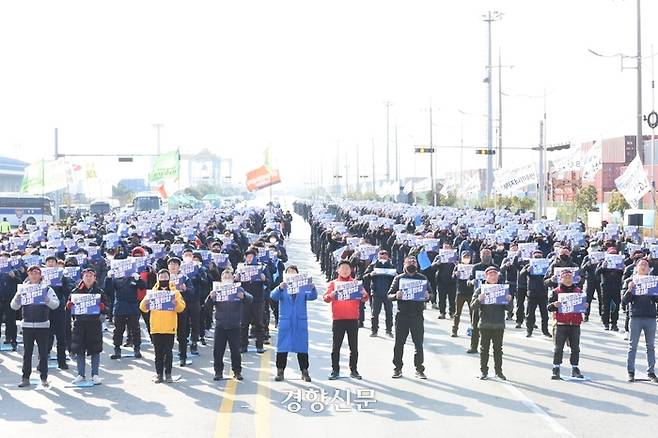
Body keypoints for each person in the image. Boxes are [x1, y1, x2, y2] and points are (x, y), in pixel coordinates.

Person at [11, 265, 60, 387]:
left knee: (43, 353)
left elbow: (56, 305)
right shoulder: (22, 289)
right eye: (31, 273)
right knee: (27, 353)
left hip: (42, 324)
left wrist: (46, 299)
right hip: (27, 324)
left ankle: (44, 377)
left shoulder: (47, 289)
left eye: (37, 273)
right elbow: (13, 306)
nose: (34, 275)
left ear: (40, 275)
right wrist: (17, 298)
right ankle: (25, 377)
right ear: (28, 275)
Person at [270, 265, 317, 382]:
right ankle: (280, 371)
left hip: (299, 320)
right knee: (282, 347)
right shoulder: (283, 287)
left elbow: (313, 296)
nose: (291, 274)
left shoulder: (302, 288)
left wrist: (312, 288)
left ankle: (304, 371)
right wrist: (279, 288)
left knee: (302, 347)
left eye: (294, 272)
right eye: (289, 272)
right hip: (286, 321)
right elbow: (273, 296)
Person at [323, 260, 369, 380]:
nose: (344, 270)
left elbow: (365, 298)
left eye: (347, 268)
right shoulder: (333, 283)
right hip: (338, 319)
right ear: (338, 270)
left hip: (353, 319)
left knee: (353, 347)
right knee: (336, 347)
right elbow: (325, 298)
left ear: (351, 270)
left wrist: (364, 294)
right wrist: (331, 295)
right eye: (342, 268)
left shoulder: (355, 283)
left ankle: (353, 370)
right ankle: (335, 370)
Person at [388, 256, 431, 379]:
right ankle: (397, 368)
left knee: (418, 344)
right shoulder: (399, 278)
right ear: (404, 264)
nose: (411, 263)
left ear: (417, 265)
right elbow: (389, 295)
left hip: (417, 315)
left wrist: (428, 296)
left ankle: (419, 369)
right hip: (402, 315)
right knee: (399, 343)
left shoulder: (422, 278)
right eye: (409, 262)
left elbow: (432, 294)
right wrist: (396, 295)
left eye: (414, 262)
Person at [140, 269, 186, 383]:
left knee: (168, 352)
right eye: (161, 277)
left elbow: (181, 308)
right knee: (158, 353)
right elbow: (142, 307)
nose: (163, 279)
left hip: (170, 327)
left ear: (169, 278)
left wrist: (176, 303)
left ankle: (168, 374)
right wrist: (145, 303)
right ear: (158, 278)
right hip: (156, 327)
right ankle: (159, 374)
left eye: (166, 277)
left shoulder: (175, 293)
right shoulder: (152, 292)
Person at [207, 268, 251, 381]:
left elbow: (250, 299)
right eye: (225, 277)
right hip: (220, 325)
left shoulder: (238, 289)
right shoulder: (217, 290)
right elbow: (207, 307)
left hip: (235, 325)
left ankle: (237, 371)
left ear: (233, 278)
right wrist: (210, 298)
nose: (227, 279)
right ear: (221, 279)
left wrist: (243, 296)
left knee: (235, 350)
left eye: (229, 277)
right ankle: (218, 372)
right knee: (218, 350)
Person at [67, 268, 109, 385]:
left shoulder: (99, 292)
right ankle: (81, 374)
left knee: (95, 350)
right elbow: (68, 309)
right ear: (82, 278)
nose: (88, 278)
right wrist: (69, 306)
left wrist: (102, 308)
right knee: (79, 350)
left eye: (91, 276)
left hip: (94, 324)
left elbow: (108, 309)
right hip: (79, 323)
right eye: (86, 276)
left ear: (95, 278)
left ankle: (95, 375)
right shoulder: (75, 291)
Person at [471, 266, 512, 380]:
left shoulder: (503, 289)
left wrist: (509, 300)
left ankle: (499, 371)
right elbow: (473, 307)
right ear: (486, 276)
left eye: (495, 274)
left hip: (499, 324)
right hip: (485, 323)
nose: (493, 277)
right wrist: (479, 299)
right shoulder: (480, 289)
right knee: (484, 349)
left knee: (498, 349)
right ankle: (484, 371)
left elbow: (509, 309)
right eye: (491, 274)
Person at [622, 258, 658, 383]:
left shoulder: (653, 281)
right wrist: (629, 290)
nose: (643, 267)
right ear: (636, 268)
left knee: (650, 346)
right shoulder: (630, 281)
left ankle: (651, 372)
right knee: (633, 346)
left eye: (645, 265)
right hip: (635, 317)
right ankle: (631, 372)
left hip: (650, 317)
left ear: (649, 269)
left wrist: (655, 292)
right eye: (641, 265)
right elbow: (624, 301)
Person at [547, 270, 586, 380]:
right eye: (565, 277)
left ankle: (575, 368)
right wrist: (554, 305)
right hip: (561, 323)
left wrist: (585, 305)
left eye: (569, 276)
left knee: (575, 347)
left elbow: (583, 306)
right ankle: (556, 368)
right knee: (559, 348)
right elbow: (548, 307)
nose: (568, 278)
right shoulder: (556, 292)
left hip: (575, 323)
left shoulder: (578, 291)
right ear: (561, 279)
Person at [107, 268, 146, 360]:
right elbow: (108, 290)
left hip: (132, 307)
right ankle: (117, 349)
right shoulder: (116, 280)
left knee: (135, 329)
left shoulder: (132, 278)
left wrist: (138, 279)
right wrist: (108, 278)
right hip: (120, 307)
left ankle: (137, 348)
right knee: (118, 330)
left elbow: (143, 286)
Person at [239, 249, 268, 354]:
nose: (249, 258)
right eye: (248, 256)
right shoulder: (241, 268)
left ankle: (259, 345)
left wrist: (264, 279)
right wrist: (236, 278)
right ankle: (243, 345)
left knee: (259, 323)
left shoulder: (262, 267)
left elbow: (268, 282)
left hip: (258, 299)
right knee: (243, 323)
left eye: (251, 256)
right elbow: (235, 283)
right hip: (245, 299)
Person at [362, 250, 396, 337]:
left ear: (388, 256)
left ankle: (389, 331)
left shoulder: (391, 266)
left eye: (385, 254)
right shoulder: (373, 265)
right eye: (381, 254)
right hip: (376, 292)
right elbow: (364, 277)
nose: (383, 256)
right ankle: (374, 330)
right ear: (378, 256)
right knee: (375, 313)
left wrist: (395, 275)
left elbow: (396, 280)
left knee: (389, 313)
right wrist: (371, 274)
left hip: (388, 293)